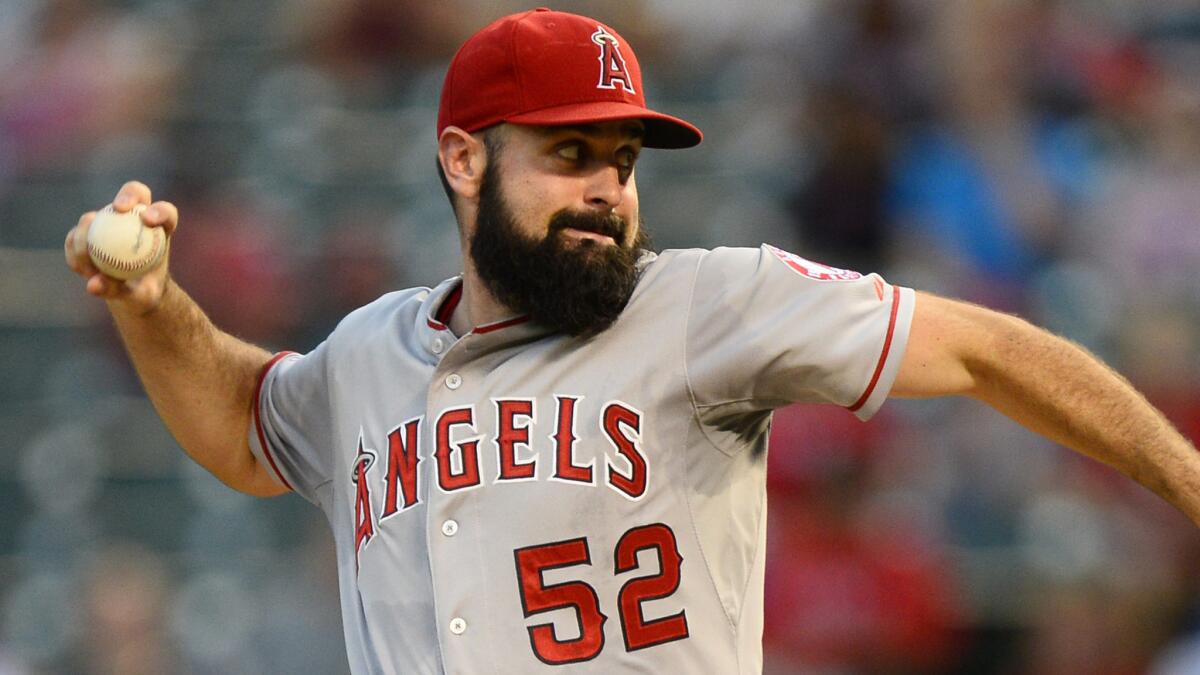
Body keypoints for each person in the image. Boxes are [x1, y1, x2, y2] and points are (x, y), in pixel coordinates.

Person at [63, 8, 1200, 675]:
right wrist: (155, 303)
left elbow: (992, 350)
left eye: (621, 158)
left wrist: (1190, 481)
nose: (607, 188)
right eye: (567, 155)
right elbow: (245, 432)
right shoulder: (367, 356)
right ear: (464, 160)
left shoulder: (707, 307)